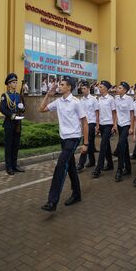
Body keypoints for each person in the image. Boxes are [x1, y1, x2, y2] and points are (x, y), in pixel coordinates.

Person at [39, 76, 88, 212]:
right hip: (63, 138)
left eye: (62, 84)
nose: (59, 86)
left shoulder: (76, 103)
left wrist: (86, 143)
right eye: (59, 84)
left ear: (69, 87)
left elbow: (85, 122)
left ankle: (52, 201)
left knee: (61, 165)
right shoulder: (58, 102)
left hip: (73, 138)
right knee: (70, 165)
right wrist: (48, 95)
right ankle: (77, 194)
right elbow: (41, 109)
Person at [0, 73, 26, 175]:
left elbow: (23, 109)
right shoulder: (5, 96)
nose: (15, 84)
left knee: (16, 145)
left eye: (16, 82)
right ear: (9, 84)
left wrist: (22, 108)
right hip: (9, 123)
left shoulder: (18, 96)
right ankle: (9, 166)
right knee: (9, 146)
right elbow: (2, 109)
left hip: (18, 124)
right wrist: (11, 115)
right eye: (13, 82)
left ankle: (15, 165)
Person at [92, 80, 116, 178]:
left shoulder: (111, 99)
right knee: (106, 145)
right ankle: (110, 164)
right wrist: (97, 125)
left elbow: (114, 113)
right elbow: (97, 113)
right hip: (101, 124)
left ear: (106, 88)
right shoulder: (99, 99)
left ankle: (98, 168)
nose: (99, 88)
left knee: (103, 145)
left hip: (109, 124)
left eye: (101, 87)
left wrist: (114, 125)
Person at [77, 81, 99, 172]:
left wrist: (97, 125)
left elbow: (97, 112)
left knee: (85, 142)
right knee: (90, 142)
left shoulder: (93, 99)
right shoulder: (81, 100)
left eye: (84, 88)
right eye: (82, 89)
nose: (83, 90)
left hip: (91, 122)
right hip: (84, 123)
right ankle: (92, 161)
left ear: (89, 89)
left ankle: (81, 164)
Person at [114, 82, 134, 182]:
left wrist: (131, 127)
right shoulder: (116, 99)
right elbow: (116, 112)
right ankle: (128, 168)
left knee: (121, 145)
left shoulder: (129, 99)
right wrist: (115, 124)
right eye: (118, 87)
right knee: (124, 146)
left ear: (125, 90)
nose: (117, 89)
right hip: (120, 125)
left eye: (120, 88)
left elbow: (132, 113)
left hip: (127, 124)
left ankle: (119, 170)